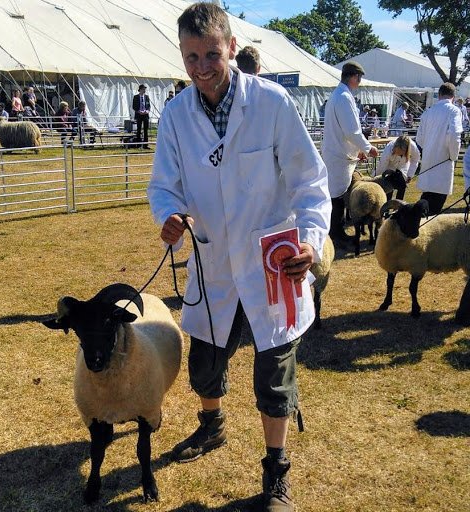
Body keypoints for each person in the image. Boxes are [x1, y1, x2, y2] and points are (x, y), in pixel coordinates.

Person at [148, 3, 331, 511]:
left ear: (231, 47)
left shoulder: (271, 104)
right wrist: (170, 214)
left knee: (274, 377)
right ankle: (213, 425)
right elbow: (165, 185)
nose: (202, 67)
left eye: (210, 53)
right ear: (181, 58)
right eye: (190, 57)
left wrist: (312, 240)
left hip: (273, 265)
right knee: (205, 367)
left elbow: (310, 183)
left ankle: (276, 472)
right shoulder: (175, 116)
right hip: (213, 266)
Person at [321, 61, 378, 245]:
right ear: (354, 77)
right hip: (338, 155)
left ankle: (335, 231)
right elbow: (351, 131)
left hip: (338, 152)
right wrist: (368, 148)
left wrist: (359, 149)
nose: (360, 82)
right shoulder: (343, 97)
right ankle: (335, 234)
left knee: (336, 195)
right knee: (336, 196)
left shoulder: (339, 95)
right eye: (359, 78)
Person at [415, 82, 463, 215]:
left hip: (428, 161)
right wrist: (453, 156)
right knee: (434, 207)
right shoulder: (454, 111)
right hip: (444, 161)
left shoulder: (428, 112)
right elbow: (454, 135)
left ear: (439, 95)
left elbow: (419, 139)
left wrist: (430, 148)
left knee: (426, 200)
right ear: (453, 96)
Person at [372, 135, 420, 200]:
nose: (398, 155)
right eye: (396, 152)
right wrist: (376, 179)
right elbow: (382, 166)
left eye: (401, 154)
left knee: (402, 185)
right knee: (388, 187)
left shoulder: (413, 147)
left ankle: (399, 206)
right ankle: (386, 205)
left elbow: (415, 160)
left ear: (406, 151)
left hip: (403, 167)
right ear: (394, 147)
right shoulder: (388, 149)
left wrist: (410, 175)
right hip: (389, 167)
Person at [132, 84, 150, 149]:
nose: (144, 90)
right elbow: (134, 106)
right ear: (140, 90)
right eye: (143, 89)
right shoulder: (136, 97)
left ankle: (146, 145)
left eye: (145, 89)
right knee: (139, 130)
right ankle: (138, 144)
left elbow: (148, 106)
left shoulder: (147, 97)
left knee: (146, 130)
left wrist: (147, 111)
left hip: (145, 115)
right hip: (139, 115)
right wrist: (138, 111)